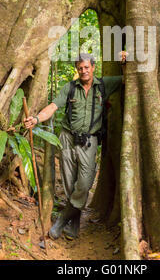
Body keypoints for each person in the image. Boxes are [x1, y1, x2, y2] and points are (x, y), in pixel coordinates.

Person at [24, 52, 126, 240]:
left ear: (93, 67)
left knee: (85, 183)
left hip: (90, 141)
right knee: (69, 182)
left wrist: (126, 61)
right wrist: (37, 118)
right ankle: (75, 224)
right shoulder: (70, 88)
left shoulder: (104, 85)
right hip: (68, 138)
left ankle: (62, 221)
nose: (83, 71)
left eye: (87, 67)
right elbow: (53, 107)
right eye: (80, 68)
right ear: (77, 70)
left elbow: (129, 78)